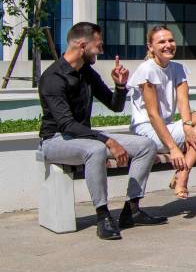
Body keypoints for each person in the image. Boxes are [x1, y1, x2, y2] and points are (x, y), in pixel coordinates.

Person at [38, 22, 162, 240]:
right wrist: (107, 141)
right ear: (82, 45)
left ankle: (131, 209)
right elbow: (66, 124)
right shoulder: (52, 78)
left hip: (83, 136)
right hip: (54, 140)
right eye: (98, 46)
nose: (101, 51)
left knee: (146, 145)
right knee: (95, 149)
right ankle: (103, 216)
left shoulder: (87, 73)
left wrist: (121, 86)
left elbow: (115, 106)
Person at [128, 25, 196, 212]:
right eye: (162, 42)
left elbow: (183, 103)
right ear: (150, 47)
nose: (168, 45)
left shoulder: (178, 68)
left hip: (168, 128)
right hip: (147, 132)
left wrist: (188, 128)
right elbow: (153, 114)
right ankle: (189, 176)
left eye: (171, 40)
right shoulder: (146, 70)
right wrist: (174, 149)